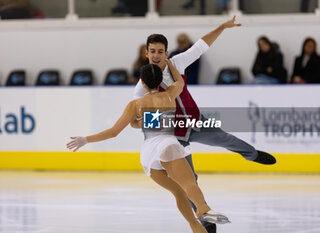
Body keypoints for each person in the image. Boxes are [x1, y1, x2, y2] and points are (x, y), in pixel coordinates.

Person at [133, 16, 276, 233]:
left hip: (194, 121)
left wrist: (222, 27)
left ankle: (252, 154)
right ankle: (206, 221)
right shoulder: (142, 86)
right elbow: (145, 122)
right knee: (189, 180)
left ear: (166, 53)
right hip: (173, 136)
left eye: (160, 51)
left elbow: (201, 46)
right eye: (152, 51)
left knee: (225, 139)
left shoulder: (178, 63)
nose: (156, 55)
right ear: (146, 53)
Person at [67, 60, 230, 233]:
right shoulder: (169, 95)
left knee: (178, 193)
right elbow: (180, 82)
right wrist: (171, 65)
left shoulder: (135, 105)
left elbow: (114, 132)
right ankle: (202, 208)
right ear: (160, 81)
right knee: (189, 184)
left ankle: (195, 226)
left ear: (142, 82)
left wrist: (85, 139)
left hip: (149, 155)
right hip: (168, 145)